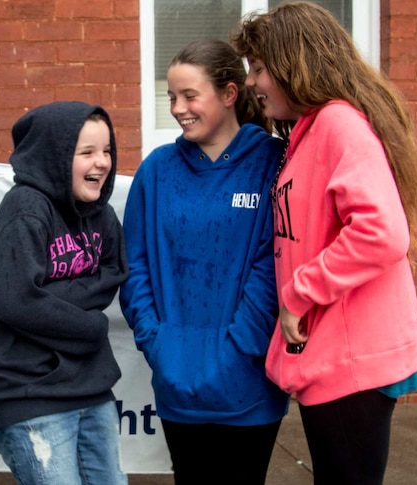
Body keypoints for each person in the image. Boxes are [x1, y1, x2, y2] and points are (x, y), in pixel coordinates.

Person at [231, 3, 417, 484]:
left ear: (292, 63)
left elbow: (382, 232)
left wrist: (300, 293)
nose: (254, 83)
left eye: (259, 69)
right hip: (336, 354)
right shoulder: (312, 130)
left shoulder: (338, 125)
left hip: (352, 358)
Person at [119, 39, 289, 484]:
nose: (178, 108)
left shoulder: (273, 164)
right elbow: (134, 266)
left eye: (190, 95)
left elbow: (274, 265)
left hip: (249, 385)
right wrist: (159, 344)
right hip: (176, 381)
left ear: (230, 94)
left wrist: (237, 352)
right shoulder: (156, 170)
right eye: (171, 97)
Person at [0, 101, 129, 485]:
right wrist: (90, 327)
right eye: (86, 152)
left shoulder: (101, 213)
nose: (102, 162)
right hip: (25, 391)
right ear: (53, 156)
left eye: (106, 150)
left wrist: (51, 294)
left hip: (90, 386)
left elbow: (114, 272)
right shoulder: (25, 210)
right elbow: (19, 302)